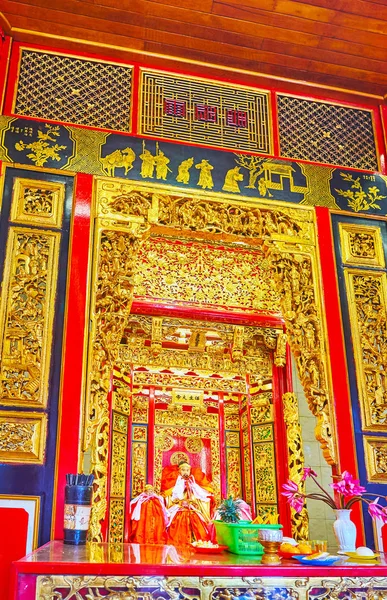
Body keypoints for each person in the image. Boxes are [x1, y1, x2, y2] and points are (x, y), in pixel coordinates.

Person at [162, 460, 215, 545]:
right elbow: (173, 497)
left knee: (197, 519)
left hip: (192, 507)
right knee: (179, 518)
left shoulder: (193, 482)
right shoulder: (176, 484)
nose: (185, 472)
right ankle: (179, 541)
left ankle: (198, 541)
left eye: (187, 470)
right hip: (179, 507)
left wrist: (192, 502)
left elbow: (200, 495)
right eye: (183, 470)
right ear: (179, 471)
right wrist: (180, 502)